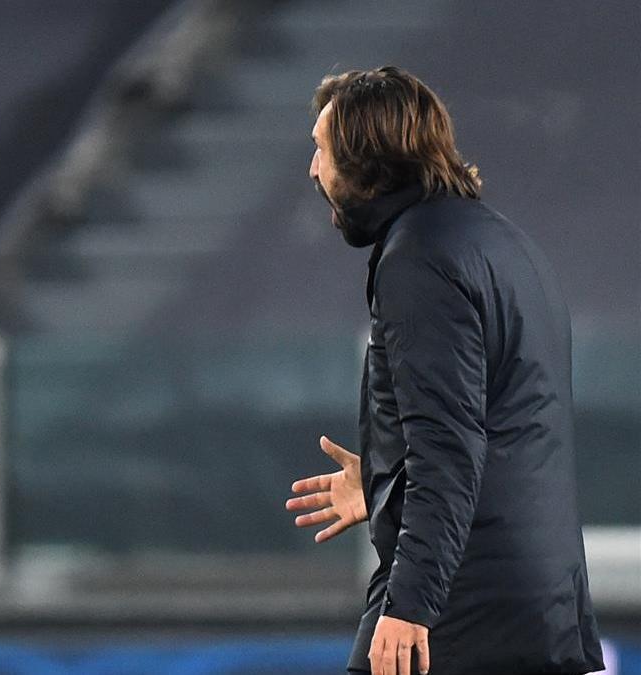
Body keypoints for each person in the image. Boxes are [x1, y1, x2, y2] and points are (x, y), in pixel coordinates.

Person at [285, 66, 603, 675]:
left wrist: (411, 605)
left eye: (322, 151)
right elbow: (504, 426)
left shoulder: (419, 261)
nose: (313, 170)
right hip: (538, 596)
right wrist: (385, 485)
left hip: (462, 603)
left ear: (367, 164)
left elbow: (451, 448)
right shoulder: (500, 241)